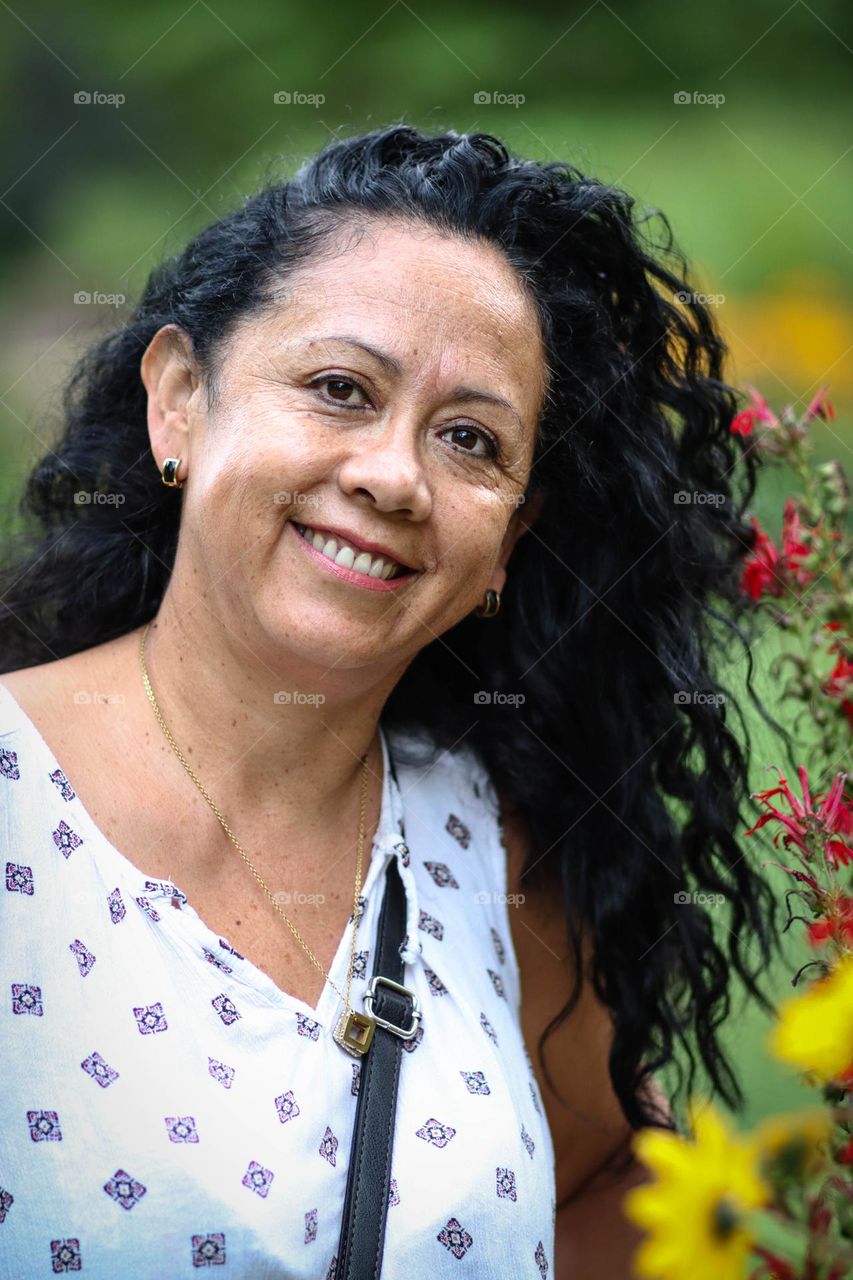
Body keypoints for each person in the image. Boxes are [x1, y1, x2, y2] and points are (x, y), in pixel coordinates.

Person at [0, 124, 780, 1278]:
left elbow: (614, 1183)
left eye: (470, 438)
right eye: (337, 388)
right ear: (178, 401)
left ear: (508, 537)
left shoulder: (486, 849)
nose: (393, 475)